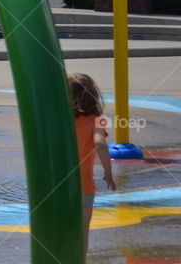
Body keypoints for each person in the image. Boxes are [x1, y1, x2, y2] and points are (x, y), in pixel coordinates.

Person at [68, 72, 116, 253]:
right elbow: (99, 143)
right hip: (84, 188)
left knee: (60, 233)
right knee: (82, 235)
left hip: (57, 188)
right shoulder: (99, 118)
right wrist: (108, 171)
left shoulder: (60, 118)